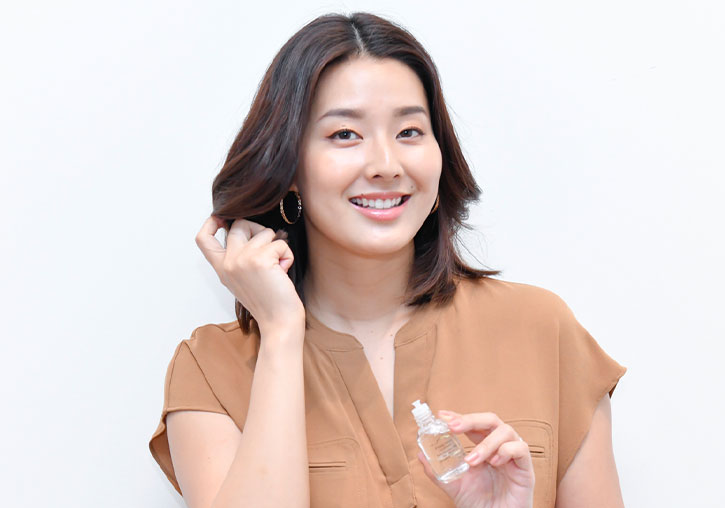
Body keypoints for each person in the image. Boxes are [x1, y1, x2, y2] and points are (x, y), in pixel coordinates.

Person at [148, 11, 627, 508]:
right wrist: (282, 332)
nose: (386, 165)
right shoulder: (211, 369)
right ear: (288, 167)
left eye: (409, 132)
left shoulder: (541, 330)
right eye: (345, 135)